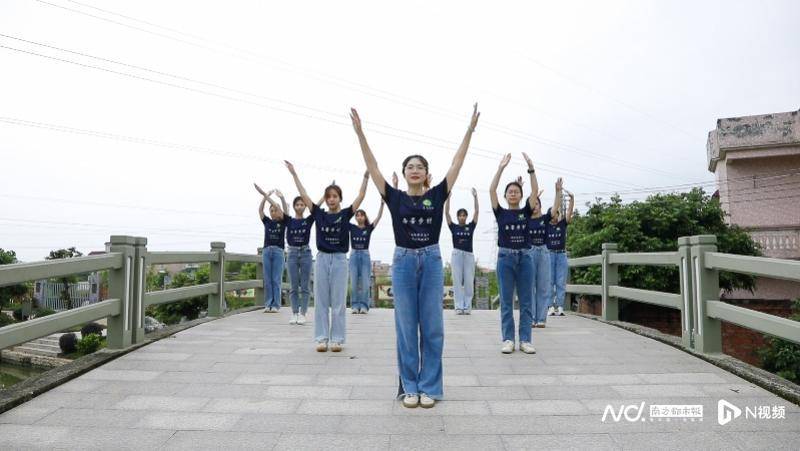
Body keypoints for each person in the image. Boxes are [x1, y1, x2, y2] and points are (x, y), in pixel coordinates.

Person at [351, 104, 480, 409]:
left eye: (420, 166)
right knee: (406, 325)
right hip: (404, 262)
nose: (415, 170)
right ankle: (410, 386)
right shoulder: (394, 197)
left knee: (432, 325)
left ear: (426, 174)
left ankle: (430, 387)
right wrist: (360, 133)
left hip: (432, 260)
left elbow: (457, 163)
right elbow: (374, 167)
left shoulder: (437, 195)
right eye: (410, 166)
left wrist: (469, 131)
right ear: (405, 173)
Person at [285, 161, 368, 352]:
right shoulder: (319, 214)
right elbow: (304, 195)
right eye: (328, 197)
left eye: (335, 196)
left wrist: (366, 177)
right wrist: (294, 174)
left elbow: (361, 196)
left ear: (340, 198)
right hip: (321, 258)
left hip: (340, 259)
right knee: (321, 300)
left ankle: (337, 339)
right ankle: (322, 338)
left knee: (338, 301)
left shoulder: (346, 214)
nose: (331, 200)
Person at [489, 152, 538, 355]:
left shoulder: (526, 211)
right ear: (506, 195)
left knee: (526, 302)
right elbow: (491, 189)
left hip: (525, 258)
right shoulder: (500, 212)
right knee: (506, 301)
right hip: (505, 258)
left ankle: (525, 340)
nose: (513, 193)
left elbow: (534, 190)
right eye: (510, 191)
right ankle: (508, 339)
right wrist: (501, 168)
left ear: (520, 195)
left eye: (516, 191)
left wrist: (531, 169)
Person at [529, 181, 561, 327]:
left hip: (543, 252)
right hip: (529, 253)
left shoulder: (545, 219)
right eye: (532, 204)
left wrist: (557, 192)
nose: (534, 206)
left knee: (543, 287)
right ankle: (531, 318)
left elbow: (555, 209)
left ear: (540, 205)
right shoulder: (526, 220)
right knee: (529, 287)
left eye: (537, 203)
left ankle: (541, 318)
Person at [254, 184, 289, 313]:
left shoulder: (283, 222)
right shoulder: (267, 221)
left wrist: (282, 199)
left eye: (275, 210)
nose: (273, 212)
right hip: (267, 250)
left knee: (276, 279)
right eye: (272, 210)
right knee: (267, 279)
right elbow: (260, 210)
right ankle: (268, 304)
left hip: (279, 251)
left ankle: (276, 305)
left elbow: (285, 210)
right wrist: (265, 197)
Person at [445, 188, 479, 315]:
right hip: (457, 254)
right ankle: (459, 306)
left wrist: (475, 197)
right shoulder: (453, 227)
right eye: (460, 215)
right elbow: (446, 213)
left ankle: (467, 306)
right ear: (458, 217)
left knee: (469, 281)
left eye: (464, 215)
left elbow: (477, 212)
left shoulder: (470, 226)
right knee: (457, 281)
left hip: (469, 255)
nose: (462, 217)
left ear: (466, 217)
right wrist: (448, 198)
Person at [349, 201, 384, 314]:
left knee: (365, 282)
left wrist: (382, 205)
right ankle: (354, 305)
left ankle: (364, 306)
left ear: (365, 217)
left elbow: (378, 218)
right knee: (354, 282)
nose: (359, 217)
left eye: (361, 215)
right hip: (354, 255)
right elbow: (343, 218)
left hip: (365, 255)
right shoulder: (352, 227)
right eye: (357, 215)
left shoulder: (368, 228)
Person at [285, 195, 316, 325]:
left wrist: (323, 197)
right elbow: (280, 210)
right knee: (293, 286)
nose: (299, 206)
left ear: (305, 206)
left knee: (305, 286)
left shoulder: (308, 220)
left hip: (305, 253)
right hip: (291, 252)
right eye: (297, 204)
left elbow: (316, 208)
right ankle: (294, 313)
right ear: (294, 206)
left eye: (302, 204)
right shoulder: (289, 220)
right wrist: (280, 198)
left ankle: (302, 313)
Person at [547, 184, 574, 317]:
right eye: (553, 214)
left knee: (561, 281)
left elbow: (569, 213)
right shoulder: (546, 226)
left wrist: (572, 199)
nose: (554, 216)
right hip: (549, 254)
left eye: (556, 214)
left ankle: (560, 306)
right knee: (550, 281)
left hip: (561, 255)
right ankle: (550, 306)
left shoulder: (562, 224)